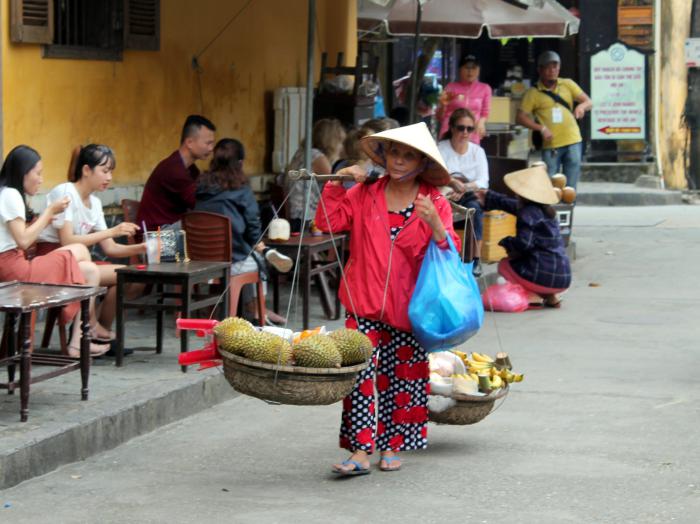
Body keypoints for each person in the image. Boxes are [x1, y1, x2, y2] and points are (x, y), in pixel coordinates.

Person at [315, 123, 460, 475]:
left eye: (408, 155)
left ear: (422, 163)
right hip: (362, 298)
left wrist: (437, 228)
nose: (398, 161)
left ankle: (392, 445)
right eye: (394, 152)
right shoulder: (365, 193)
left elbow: (451, 253)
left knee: (402, 377)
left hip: (411, 307)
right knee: (360, 375)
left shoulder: (435, 202)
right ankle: (361, 450)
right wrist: (337, 183)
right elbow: (327, 223)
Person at [0, 145, 109, 357]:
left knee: (89, 270)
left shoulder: (6, 193)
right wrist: (49, 211)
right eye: (38, 173)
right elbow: (23, 240)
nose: (41, 179)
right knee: (79, 251)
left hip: (14, 266)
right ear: (23, 172)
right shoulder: (10, 194)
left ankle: (77, 341)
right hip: (13, 270)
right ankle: (89, 325)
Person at [37, 145, 146, 337]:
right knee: (99, 271)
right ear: (86, 170)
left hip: (79, 261)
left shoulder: (94, 202)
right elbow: (67, 240)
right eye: (104, 171)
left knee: (124, 274)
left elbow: (110, 248)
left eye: (111, 171)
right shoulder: (65, 192)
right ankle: (90, 330)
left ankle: (101, 331)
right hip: (54, 260)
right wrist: (112, 230)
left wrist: (142, 247)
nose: (109, 177)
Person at [195, 139, 293, 325]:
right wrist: (257, 243)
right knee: (257, 262)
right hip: (233, 260)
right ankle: (256, 309)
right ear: (240, 163)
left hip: (200, 261)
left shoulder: (199, 187)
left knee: (248, 255)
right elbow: (253, 227)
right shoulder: (242, 190)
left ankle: (215, 308)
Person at [476, 164, 571, 308]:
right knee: (539, 260)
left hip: (542, 275)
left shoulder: (527, 213)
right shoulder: (548, 212)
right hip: (563, 278)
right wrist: (489, 196)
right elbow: (511, 205)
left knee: (505, 264)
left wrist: (507, 242)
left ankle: (532, 296)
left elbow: (523, 244)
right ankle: (552, 297)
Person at [517, 51, 592, 190]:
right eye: (548, 67)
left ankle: (569, 211)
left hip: (573, 140)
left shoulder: (567, 84)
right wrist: (541, 128)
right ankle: (551, 211)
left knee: (571, 187)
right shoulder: (533, 93)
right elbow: (521, 117)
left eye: (555, 66)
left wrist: (581, 107)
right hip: (551, 145)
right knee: (551, 186)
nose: (552, 70)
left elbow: (588, 101)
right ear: (540, 70)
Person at [137, 115, 216, 233]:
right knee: (205, 221)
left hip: (170, 230)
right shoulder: (174, 170)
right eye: (208, 143)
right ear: (189, 142)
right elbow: (201, 205)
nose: (211, 148)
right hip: (155, 239)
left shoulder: (190, 169)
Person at [437, 108, 489, 277]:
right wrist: (453, 187)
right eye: (461, 128)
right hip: (445, 194)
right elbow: (435, 174)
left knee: (474, 207)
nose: (465, 132)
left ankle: (475, 259)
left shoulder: (477, 151)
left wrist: (463, 188)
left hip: (468, 194)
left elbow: (483, 180)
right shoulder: (441, 148)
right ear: (452, 128)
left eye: (469, 128)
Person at [284, 118, 345, 233]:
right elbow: (335, 182)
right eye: (340, 141)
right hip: (305, 218)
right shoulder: (316, 157)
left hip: (295, 214)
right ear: (331, 141)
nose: (341, 147)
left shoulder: (303, 152)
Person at [437, 55, 492, 144]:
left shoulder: (485, 88)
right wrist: (442, 105)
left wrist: (481, 123)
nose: (470, 71)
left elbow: (485, 112)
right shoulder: (451, 87)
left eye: (473, 68)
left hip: (471, 133)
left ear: (478, 70)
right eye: (467, 67)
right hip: (450, 133)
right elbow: (439, 117)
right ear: (460, 69)